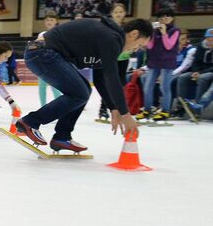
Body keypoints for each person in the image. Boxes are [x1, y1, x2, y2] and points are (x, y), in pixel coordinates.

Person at [15, 18, 153, 153]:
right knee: (80, 93)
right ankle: (30, 122)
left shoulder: (109, 38)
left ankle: (62, 137)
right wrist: (125, 114)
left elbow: (100, 79)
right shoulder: (112, 39)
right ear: (134, 34)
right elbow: (112, 78)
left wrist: (113, 108)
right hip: (42, 53)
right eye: (140, 45)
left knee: (84, 90)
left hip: (44, 54)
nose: (136, 49)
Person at [136, 10, 179, 122]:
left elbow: (169, 46)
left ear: (172, 18)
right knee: (147, 86)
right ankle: (147, 109)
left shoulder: (175, 30)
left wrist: (164, 33)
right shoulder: (155, 31)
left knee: (164, 87)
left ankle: (165, 110)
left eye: (167, 16)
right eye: (161, 17)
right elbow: (149, 46)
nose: (164, 19)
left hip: (167, 62)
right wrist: (151, 34)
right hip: (154, 61)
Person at [98, 3, 130, 120]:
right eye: (116, 12)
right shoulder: (108, 26)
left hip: (123, 59)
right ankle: (103, 108)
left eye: (120, 12)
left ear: (125, 13)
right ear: (112, 14)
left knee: (120, 84)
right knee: (108, 83)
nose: (118, 14)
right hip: (110, 59)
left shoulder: (127, 28)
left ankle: (119, 108)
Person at [178, 28, 213, 117]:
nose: (210, 40)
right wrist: (196, 71)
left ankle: (197, 110)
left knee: (203, 78)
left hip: (210, 72)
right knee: (182, 77)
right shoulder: (201, 46)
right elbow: (196, 61)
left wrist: (201, 73)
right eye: (209, 38)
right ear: (205, 37)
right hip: (200, 71)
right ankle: (180, 107)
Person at [37, 12, 63, 106]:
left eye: (52, 20)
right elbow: (37, 48)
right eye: (47, 20)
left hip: (55, 65)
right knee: (42, 88)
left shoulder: (60, 33)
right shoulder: (42, 34)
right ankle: (43, 108)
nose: (49, 22)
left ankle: (58, 108)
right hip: (42, 65)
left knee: (56, 88)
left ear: (56, 21)